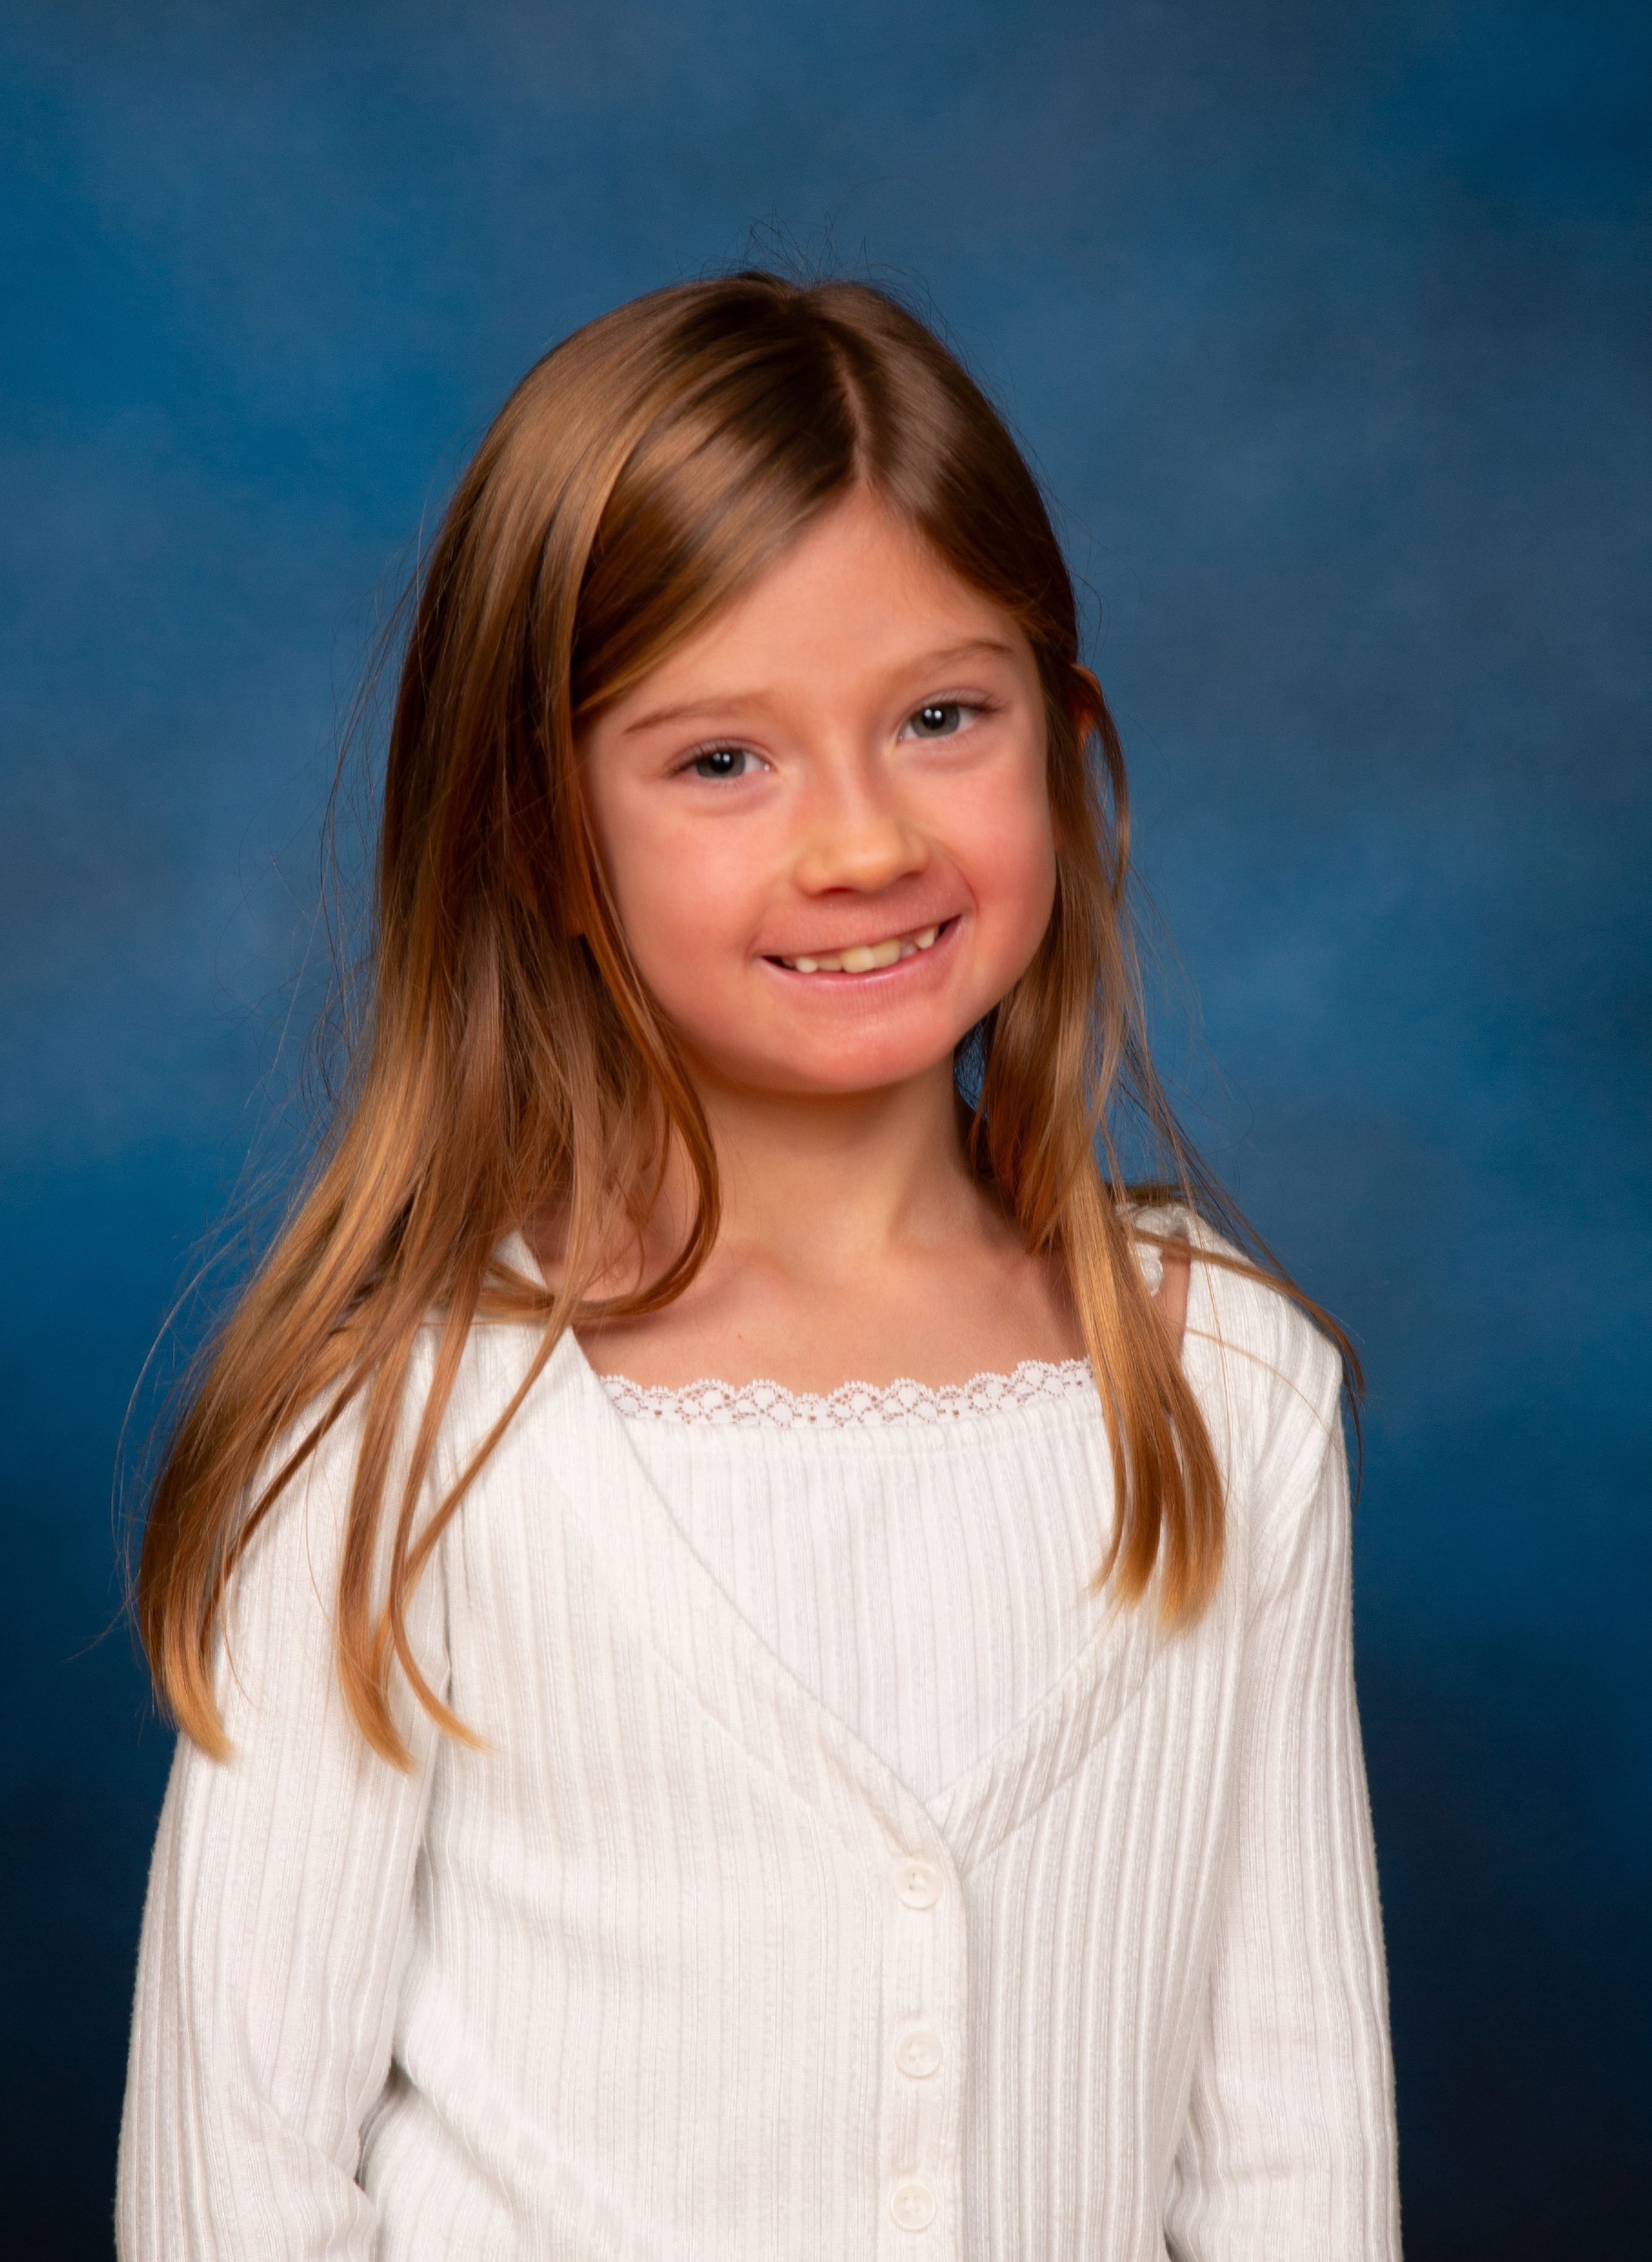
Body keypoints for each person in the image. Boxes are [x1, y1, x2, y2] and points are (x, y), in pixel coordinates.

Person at [119, 272, 1400, 2260]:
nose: (862, 841)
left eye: (942, 718)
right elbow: (241, 2175)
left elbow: (1295, 2148)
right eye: (723, 760)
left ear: (1062, 744)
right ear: (542, 830)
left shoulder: (1222, 1383)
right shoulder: (397, 1436)